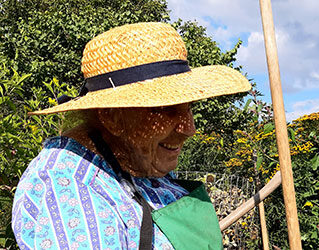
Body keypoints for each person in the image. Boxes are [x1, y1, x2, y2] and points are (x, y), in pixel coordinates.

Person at [12, 22, 251, 249]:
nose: (189, 129)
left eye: (188, 107)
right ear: (112, 116)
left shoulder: (136, 162)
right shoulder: (69, 188)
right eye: (165, 109)